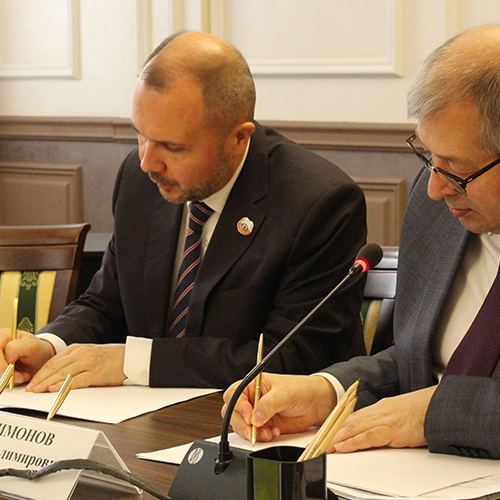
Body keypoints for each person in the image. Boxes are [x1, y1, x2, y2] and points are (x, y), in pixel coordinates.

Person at [0, 32, 367, 391]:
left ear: (238, 138)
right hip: (137, 417)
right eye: (140, 134)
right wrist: (49, 346)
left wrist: (133, 362)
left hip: (252, 421)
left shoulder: (319, 203)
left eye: (172, 147)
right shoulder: (138, 178)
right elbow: (108, 303)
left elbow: (293, 357)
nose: (147, 162)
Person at [224, 25, 500, 459]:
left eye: (457, 168)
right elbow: (418, 364)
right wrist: (326, 392)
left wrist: (435, 413)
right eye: (429, 157)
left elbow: (434, 398)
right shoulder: (438, 209)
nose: (435, 188)